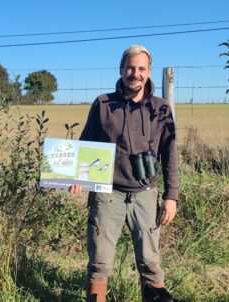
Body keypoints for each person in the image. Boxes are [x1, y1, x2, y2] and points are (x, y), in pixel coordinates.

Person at [69, 45, 178, 302]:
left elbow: (170, 154)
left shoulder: (161, 109)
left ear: (149, 72)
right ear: (121, 69)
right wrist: (76, 176)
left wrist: (171, 196)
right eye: (130, 67)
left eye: (141, 68)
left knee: (150, 263)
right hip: (108, 193)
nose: (135, 73)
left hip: (145, 194)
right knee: (99, 262)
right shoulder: (103, 104)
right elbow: (87, 143)